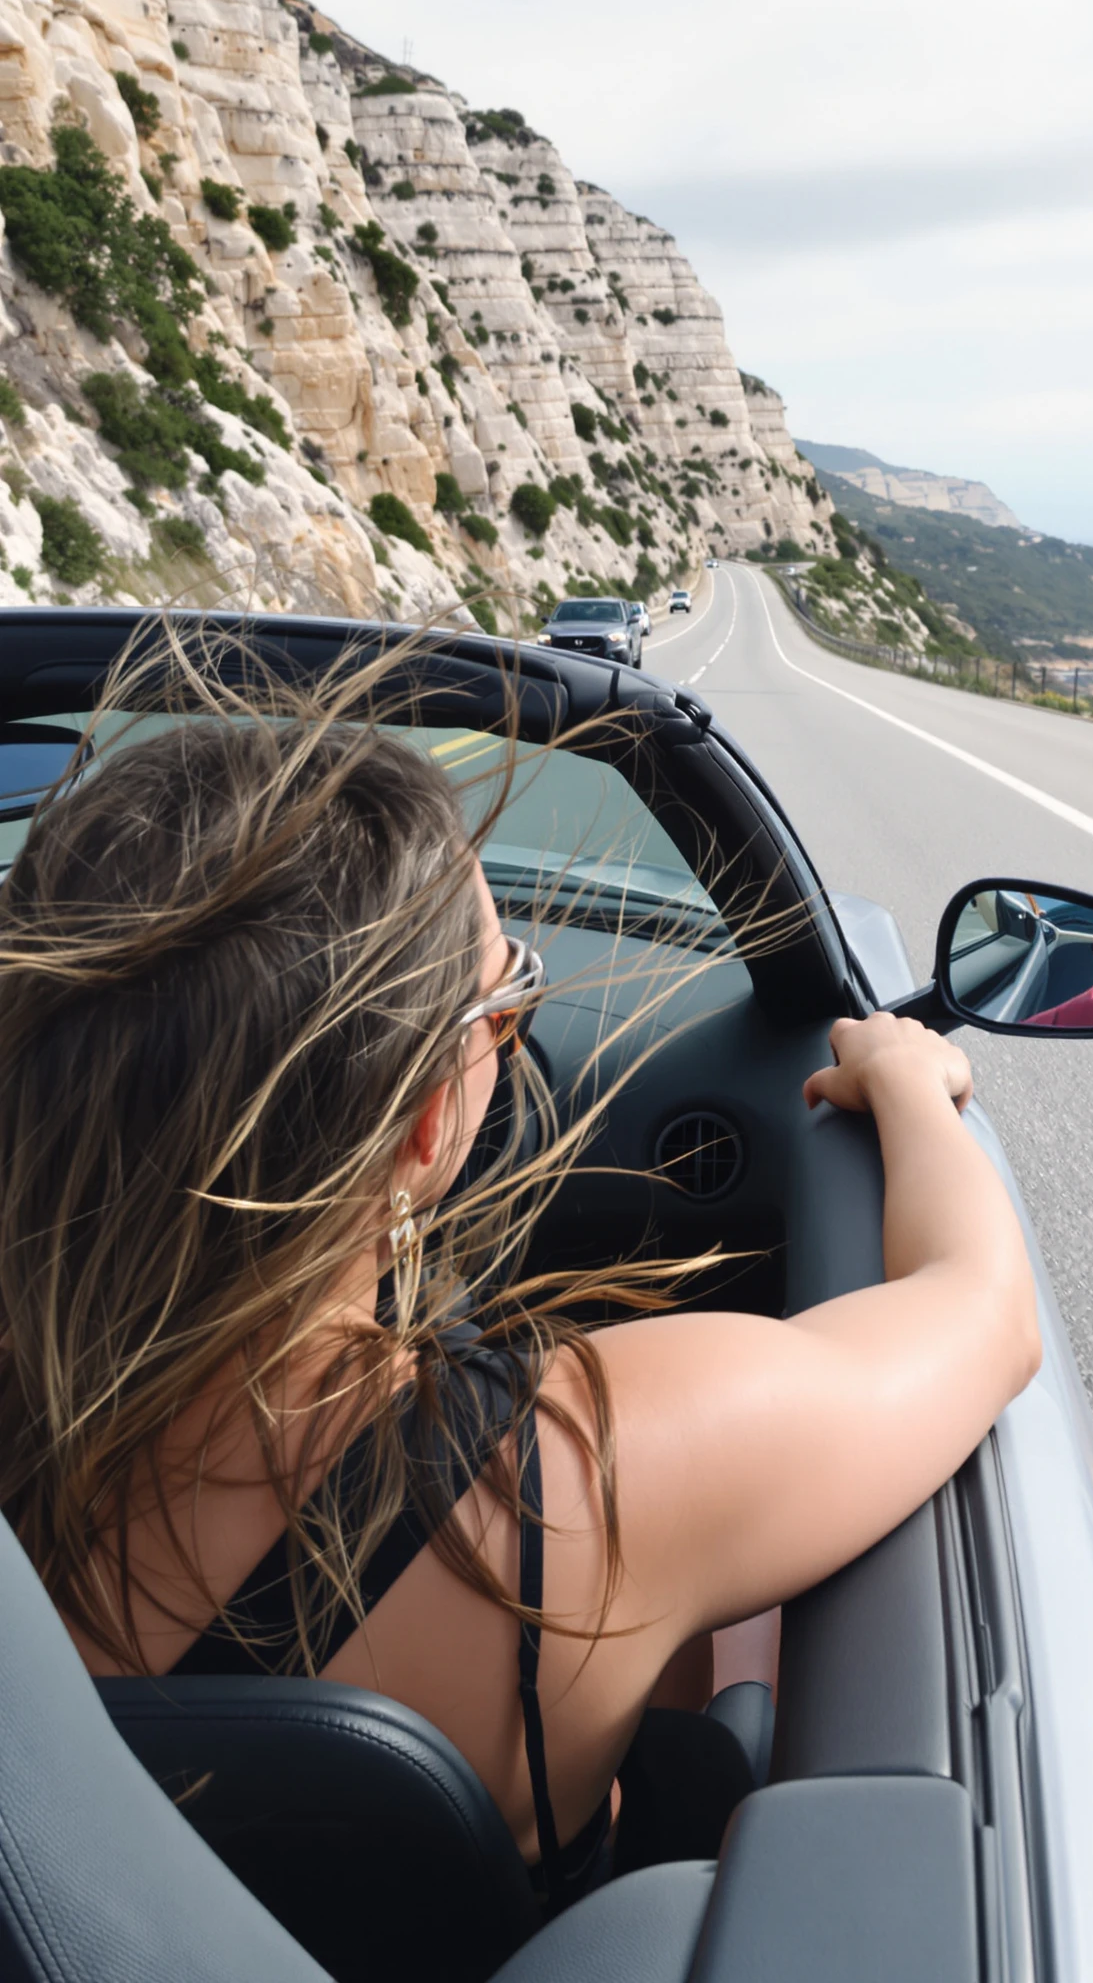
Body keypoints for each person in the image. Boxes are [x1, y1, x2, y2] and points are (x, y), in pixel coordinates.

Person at [0, 642, 1040, 1906]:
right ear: (423, 1123)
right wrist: (910, 1080)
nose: (515, 1022)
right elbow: (983, 1312)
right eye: (510, 997)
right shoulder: (571, 1484)